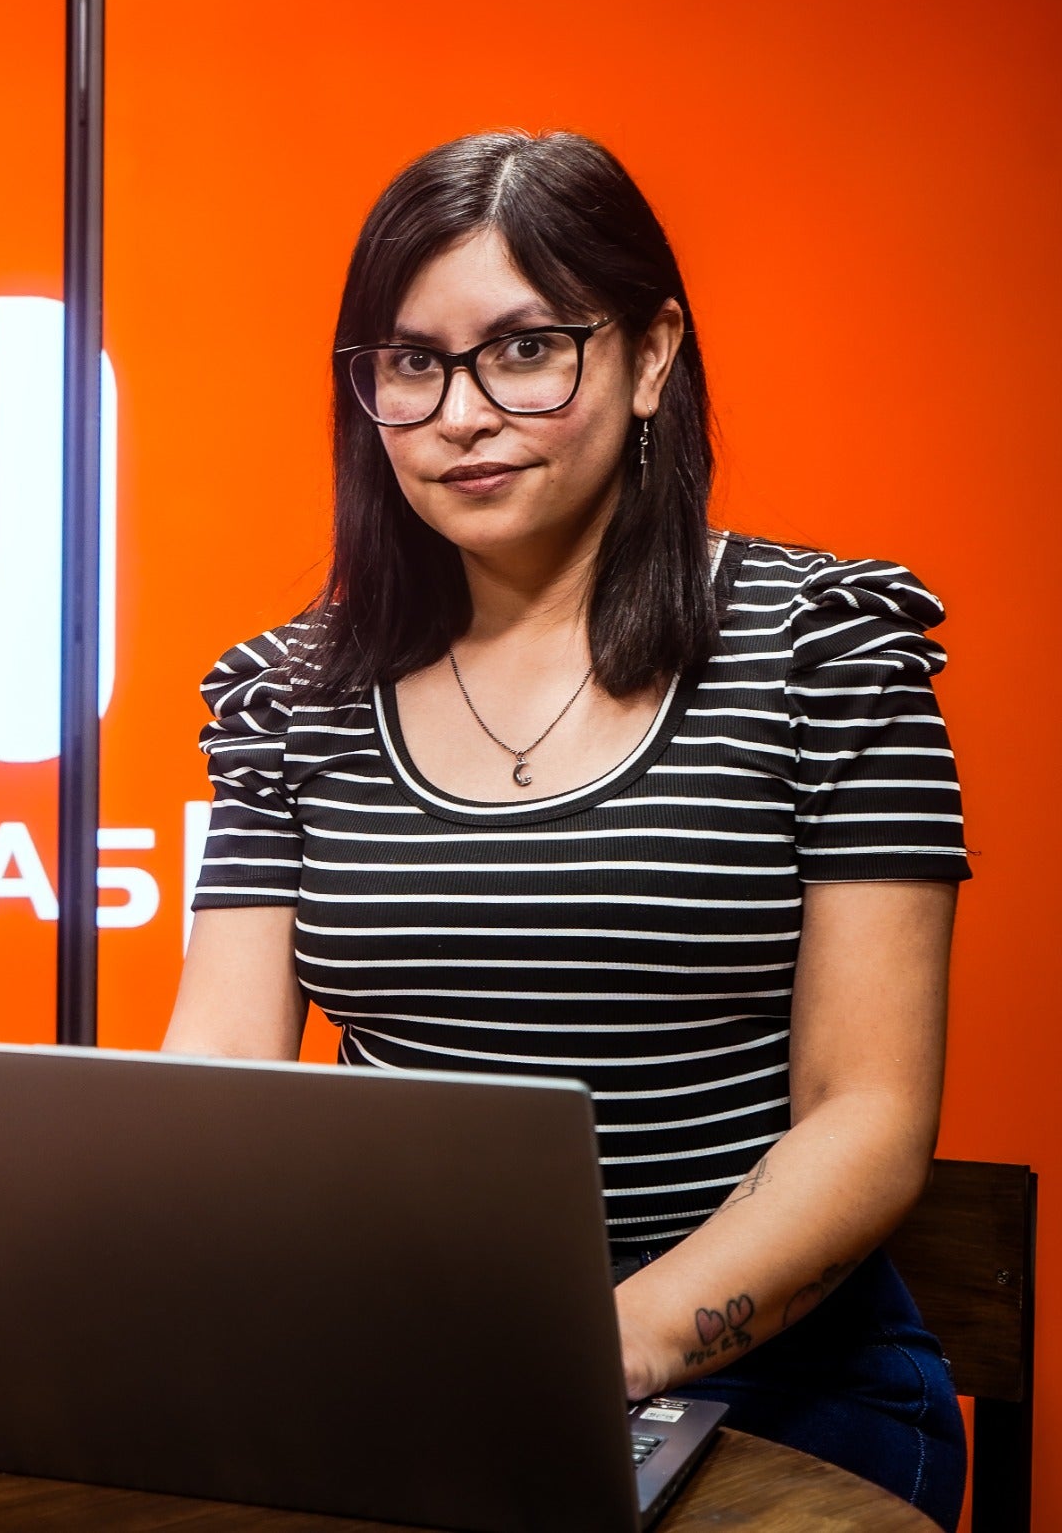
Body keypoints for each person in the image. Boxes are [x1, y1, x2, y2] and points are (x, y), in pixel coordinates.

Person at [166, 131, 970, 1527]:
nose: (461, 411)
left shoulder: (824, 653)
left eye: (525, 348)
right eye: (410, 362)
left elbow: (872, 1115)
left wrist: (620, 1340)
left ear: (652, 356)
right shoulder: (291, 698)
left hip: (768, 1391)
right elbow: (220, 1075)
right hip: (405, 1381)